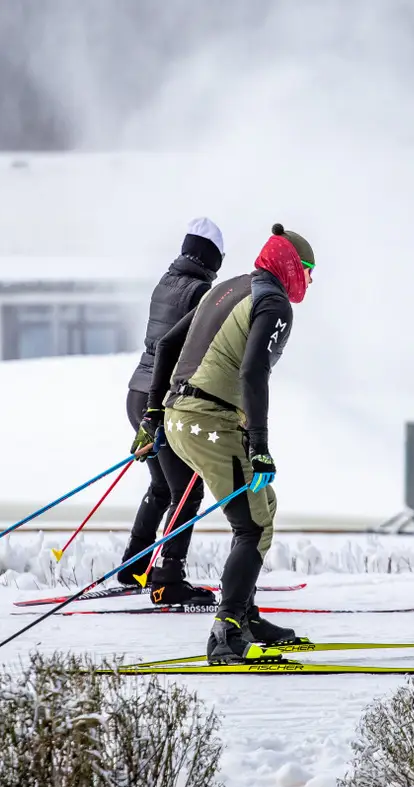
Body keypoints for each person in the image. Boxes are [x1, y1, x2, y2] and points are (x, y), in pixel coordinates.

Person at [139, 222, 315, 663]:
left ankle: (246, 615)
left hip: (182, 415)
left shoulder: (233, 286)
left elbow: (165, 344)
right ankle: (227, 631)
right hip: (210, 421)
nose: (310, 281)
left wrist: (154, 413)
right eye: (309, 270)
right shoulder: (272, 302)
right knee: (253, 523)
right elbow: (253, 372)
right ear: (292, 267)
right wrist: (259, 445)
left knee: (263, 506)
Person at [119, 217, 225, 605]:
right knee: (188, 489)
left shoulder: (165, 283)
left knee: (163, 486)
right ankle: (168, 578)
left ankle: (135, 566)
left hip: (136, 392)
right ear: (211, 258)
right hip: (162, 401)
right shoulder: (200, 293)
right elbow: (190, 352)